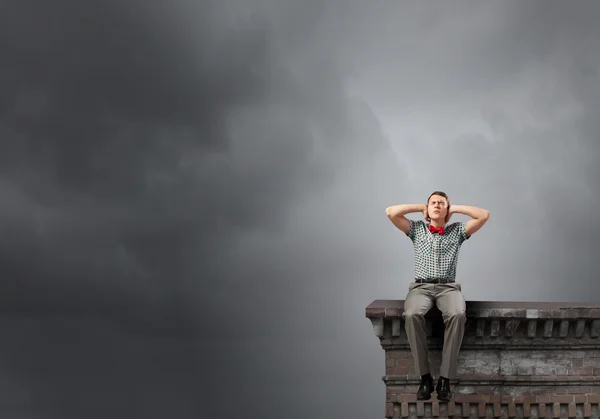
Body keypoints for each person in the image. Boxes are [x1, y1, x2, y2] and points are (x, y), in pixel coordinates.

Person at [385, 191, 490, 402]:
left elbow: (484, 215)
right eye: (433, 202)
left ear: (446, 209)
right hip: (421, 288)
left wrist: (455, 209)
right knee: (412, 314)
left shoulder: (457, 231)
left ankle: (445, 379)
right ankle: (425, 378)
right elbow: (390, 212)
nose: (437, 205)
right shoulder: (417, 229)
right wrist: (420, 207)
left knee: (458, 315)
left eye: (441, 203)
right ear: (428, 208)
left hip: (448, 288)